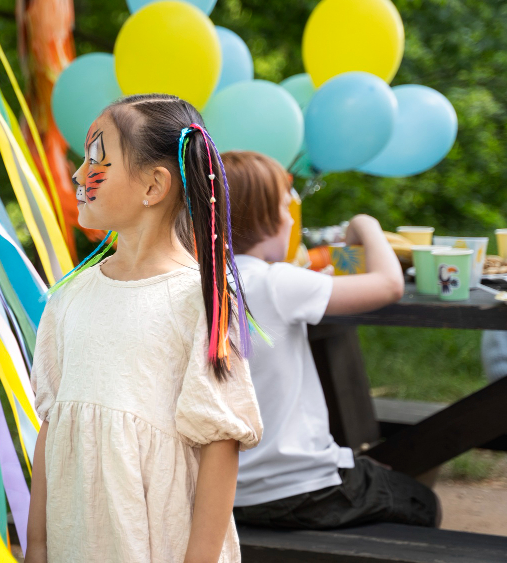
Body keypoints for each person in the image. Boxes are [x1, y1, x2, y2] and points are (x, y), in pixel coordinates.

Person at [26, 95, 263, 563]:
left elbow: (220, 444)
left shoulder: (200, 299)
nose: (78, 174)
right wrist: (36, 546)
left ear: (153, 185)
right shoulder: (69, 296)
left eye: (96, 160)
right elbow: (53, 429)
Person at [223, 150, 440, 530]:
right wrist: (366, 224)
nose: (292, 218)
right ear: (267, 218)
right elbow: (389, 284)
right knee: (423, 503)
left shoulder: (194, 281)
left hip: (221, 491)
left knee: (365, 468)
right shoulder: (276, 283)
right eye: (285, 208)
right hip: (299, 490)